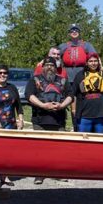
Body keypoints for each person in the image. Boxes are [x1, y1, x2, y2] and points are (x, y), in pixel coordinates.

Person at [25, 56, 74, 184]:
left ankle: (57, 173)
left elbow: (70, 95)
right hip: (40, 120)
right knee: (40, 148)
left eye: (52, 65)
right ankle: (39, 174)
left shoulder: (63, 80)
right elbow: (29, 95)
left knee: (59, 148)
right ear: (43, 67)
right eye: (47, 65)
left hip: (58, 120)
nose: (49, 67)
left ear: (55, 68)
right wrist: (43, 105)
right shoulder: (35, 80)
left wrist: (62, 105)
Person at [0, 64, 24, 188]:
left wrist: (21, 119)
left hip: (10, 123)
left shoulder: (12, 87)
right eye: (0, 73)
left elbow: (18, 105)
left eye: (5, 73)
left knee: (8, 151)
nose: (2, 75)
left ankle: (5, 175)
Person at [58, 24, 96, 130]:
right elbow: (53, 55)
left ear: (79, 32)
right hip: (68, 77)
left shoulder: (86, 45)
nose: (74, 32)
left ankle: (85, 124)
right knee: (70, 100)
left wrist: (101, 68)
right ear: (69, 33)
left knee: (84, 99)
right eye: (72, 30)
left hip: (83, 76)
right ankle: (74, 125)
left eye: (76, 30)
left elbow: (95, 57)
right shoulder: (64, 46)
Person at [72, 52, 103, 133]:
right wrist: (74, 109)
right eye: (90, 61)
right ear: (86, 63)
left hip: (102, 115)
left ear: (98, 62)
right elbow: (73, 94)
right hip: (84, 115)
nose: (93, 63)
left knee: (101, 139)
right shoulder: (80, 75)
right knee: (84, 139)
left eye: (95, 61)